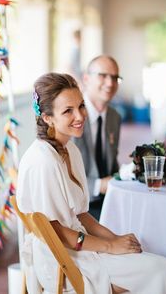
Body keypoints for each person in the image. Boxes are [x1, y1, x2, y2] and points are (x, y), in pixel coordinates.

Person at [17, 72, 166, 294]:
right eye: (67, 111)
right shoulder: (42, 161)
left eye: (81, 106)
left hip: (79, 245)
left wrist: (116, 239)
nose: (80, 116)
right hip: (61, 259)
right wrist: (110, 246)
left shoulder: (70, 149)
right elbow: (58, 233)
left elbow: (81, 215)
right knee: (162, 268)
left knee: (149, 256)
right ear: (47, 118)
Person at [73, 55, 121, 219]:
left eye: (115, 77)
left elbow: (112, 166)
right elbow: (61, 175)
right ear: (86, 79)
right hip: (77, 207)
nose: (110, 83)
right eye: (103, 75)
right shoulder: (70, 116)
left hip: (109, 201)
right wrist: (99, 186)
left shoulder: (115, 117)